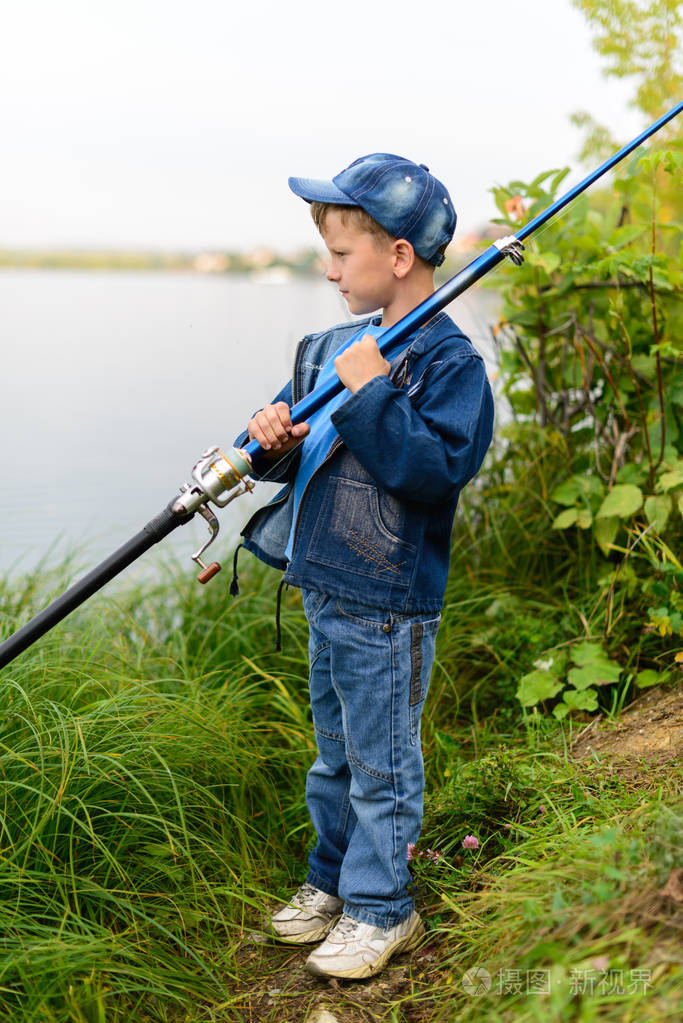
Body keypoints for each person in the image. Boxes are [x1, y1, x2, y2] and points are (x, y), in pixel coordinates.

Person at [232, 153, 494, 980]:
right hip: (324, 584)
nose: (329, 267)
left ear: (400, 257)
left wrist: (376, 391)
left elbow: (433, 472)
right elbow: (280, 452)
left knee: (381, 759)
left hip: (388, 600)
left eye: (343, 255)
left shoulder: (448, 366)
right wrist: (266, 438)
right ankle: (332, 882)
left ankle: (385, 907)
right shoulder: (329, 347)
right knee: (334, 755)